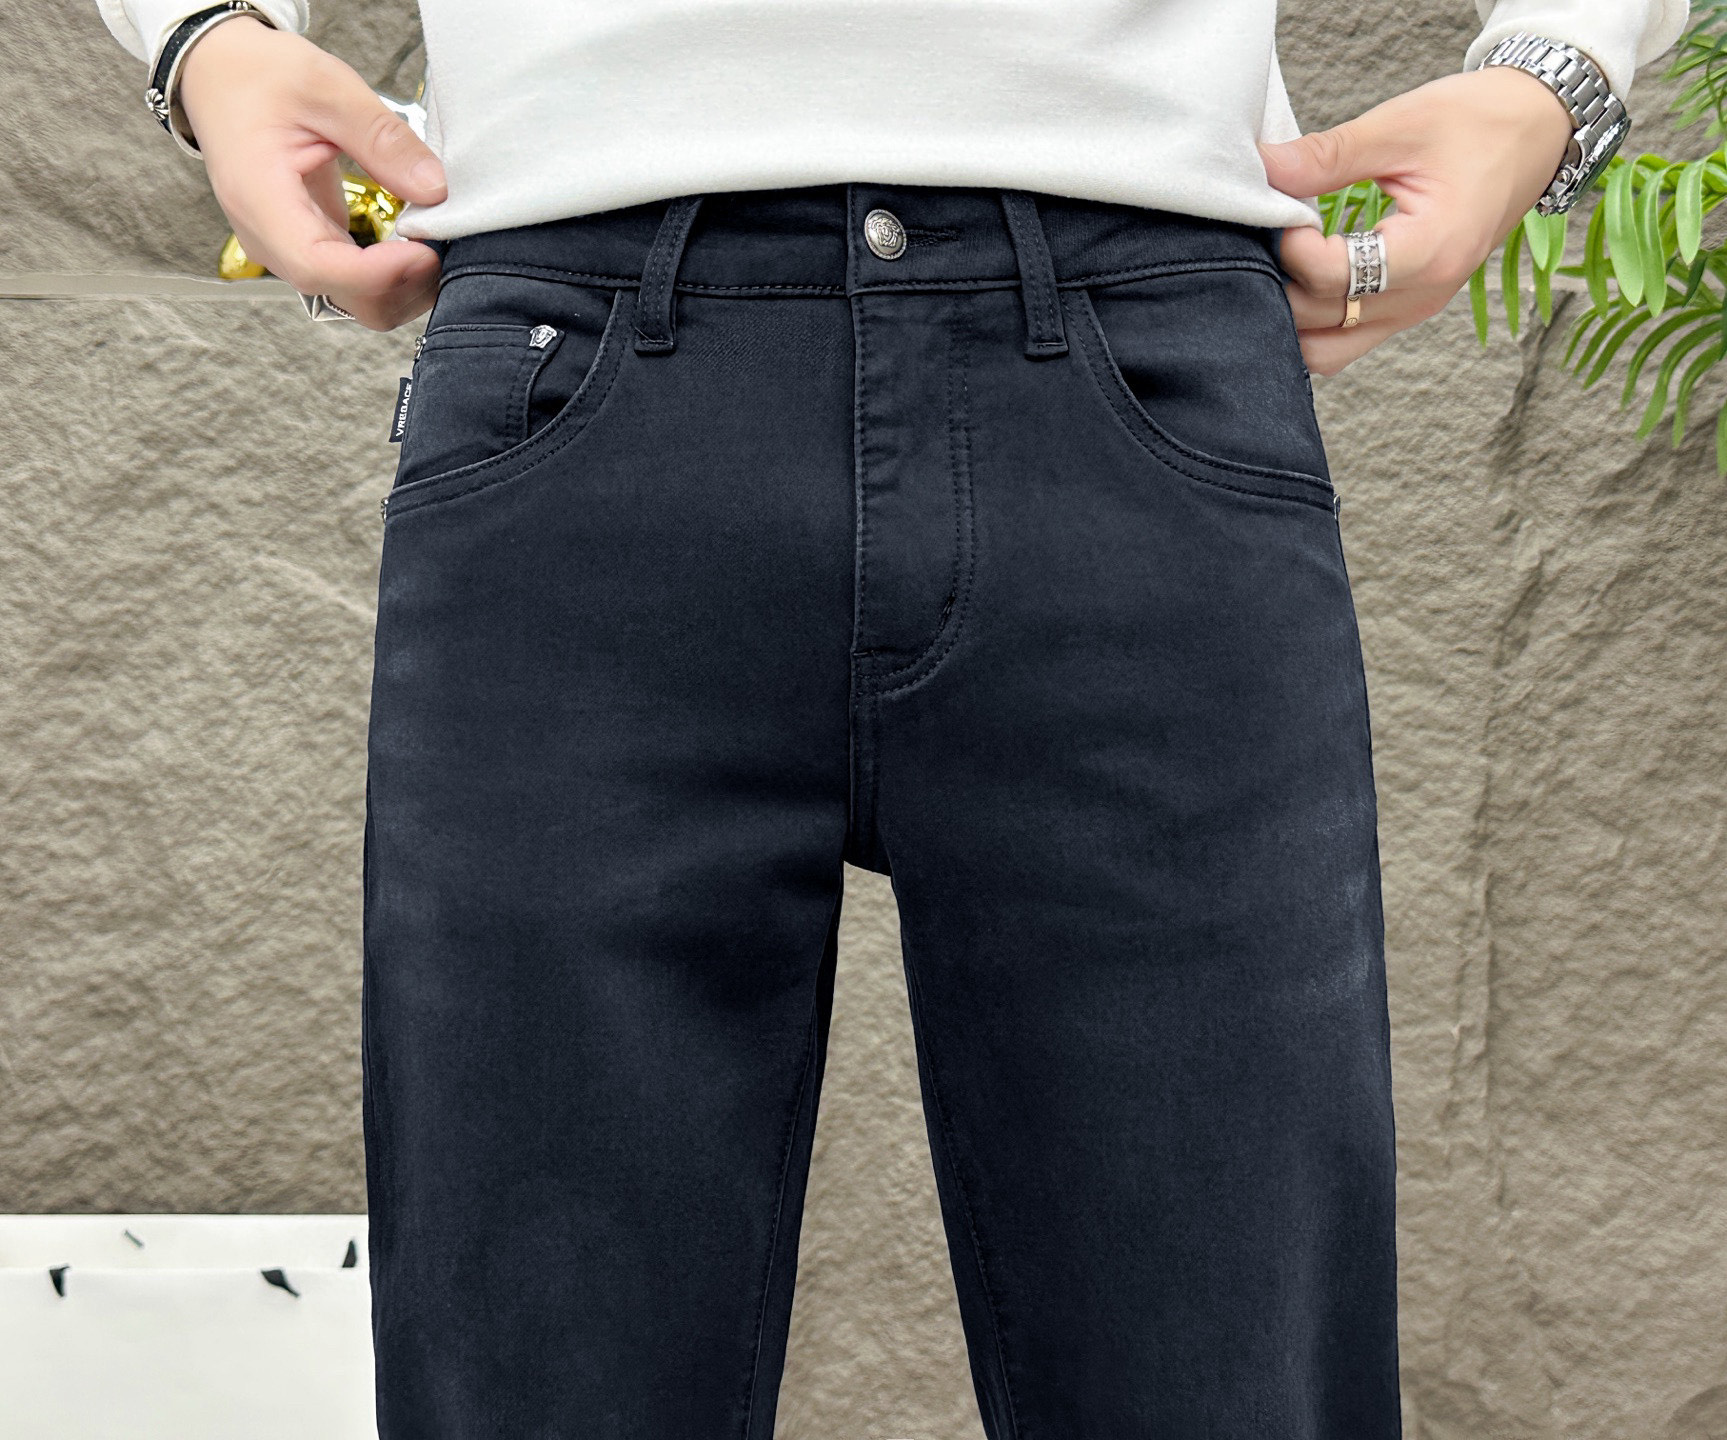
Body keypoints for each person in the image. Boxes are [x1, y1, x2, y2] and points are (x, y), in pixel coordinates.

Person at [95, 2, 1689, 1435]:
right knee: (536, 1370)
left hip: (1131, 350)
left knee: (1230, 1372)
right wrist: (207, 40)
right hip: (582, 360)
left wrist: (1553, 72)